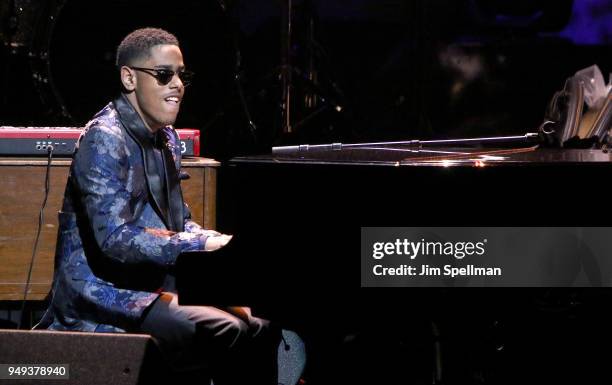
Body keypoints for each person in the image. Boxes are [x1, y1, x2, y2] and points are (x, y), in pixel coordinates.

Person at [35, 27, 279, 384]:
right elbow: (114, 239)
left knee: (260, 322)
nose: (177, 84)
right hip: (104, 292)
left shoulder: (166, 138)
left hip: (151, 283)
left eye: (182, 75)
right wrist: (200, 245)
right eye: (165, 75)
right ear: (129, 78)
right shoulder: (104, 138)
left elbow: (179, 222)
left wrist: (213, 238)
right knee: (223, 329)